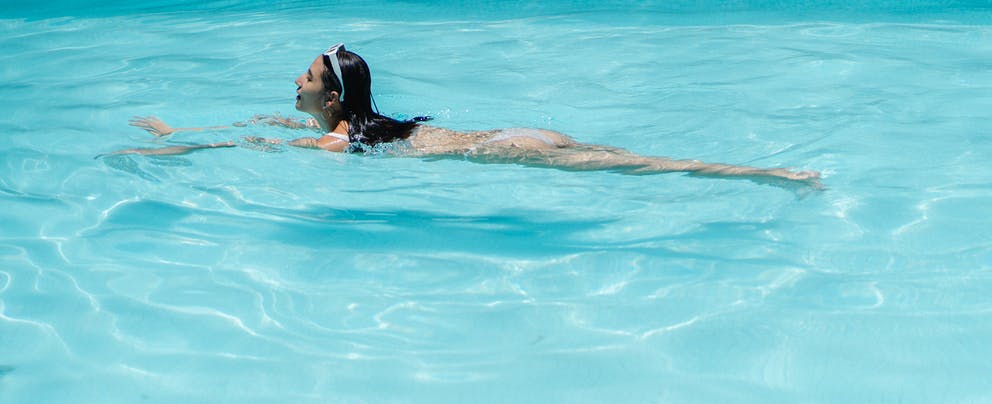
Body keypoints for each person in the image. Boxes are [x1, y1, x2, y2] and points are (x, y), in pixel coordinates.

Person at [119, 44, 822, 189]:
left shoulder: (337, 145)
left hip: (507, 149)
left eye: (303, 77)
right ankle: (767, 173)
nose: (291, 81)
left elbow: (256, 150)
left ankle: (765, 174)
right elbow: (256, 132)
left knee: (635, 162)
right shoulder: (342, 126)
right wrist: (181, 134)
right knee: (624, 155)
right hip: (505, 135)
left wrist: (177, 152)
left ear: (331, 99)